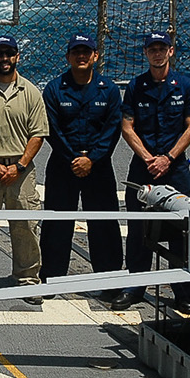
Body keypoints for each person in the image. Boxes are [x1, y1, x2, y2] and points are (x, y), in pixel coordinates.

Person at [115, 31, 190, 313]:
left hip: (175, 169)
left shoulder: (185, 86)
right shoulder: (136, 86)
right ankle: (135, 287)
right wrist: (149, 158)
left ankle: (184, 292)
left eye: (162, 48)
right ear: (146, 53)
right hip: (143, 167)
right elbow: (127, 127)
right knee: (139, 230)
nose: (157, 53)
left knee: (181, 232)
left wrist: (168, 157)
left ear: (171, 51)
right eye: (152, 49)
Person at [39, 34, 124, 287]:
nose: (81, 56)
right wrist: (74, 159)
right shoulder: (54, 88)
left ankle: (108, 279)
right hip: (63, 165)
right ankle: (52, 277)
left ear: (95, 56)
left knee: (104, 222)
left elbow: (112, 129)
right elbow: (52, 130)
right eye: (76, 52)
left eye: (86, 52)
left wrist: (93, 159)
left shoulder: (108, 89)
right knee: (57, 222)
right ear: (68, 57)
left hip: (98, 166)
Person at [0, 34, 47, 306]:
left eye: (9, 53)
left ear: (17, 56)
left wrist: (20, 165)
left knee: (25, 226)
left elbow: (37, 135)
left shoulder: (31, 92)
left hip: (21, 171)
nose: (4, 58)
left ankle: (27, 280)